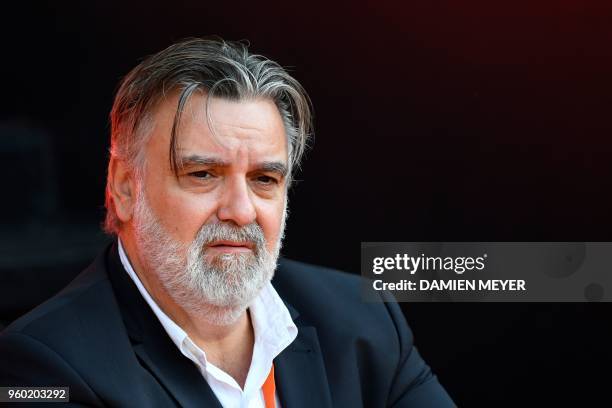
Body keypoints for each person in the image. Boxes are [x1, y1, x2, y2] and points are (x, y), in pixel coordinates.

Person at [0, 37, 454, 407]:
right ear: (123, 188)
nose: (240, 210)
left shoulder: (363, 322)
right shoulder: (41, 367)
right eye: (202, 174)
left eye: (263, 179)